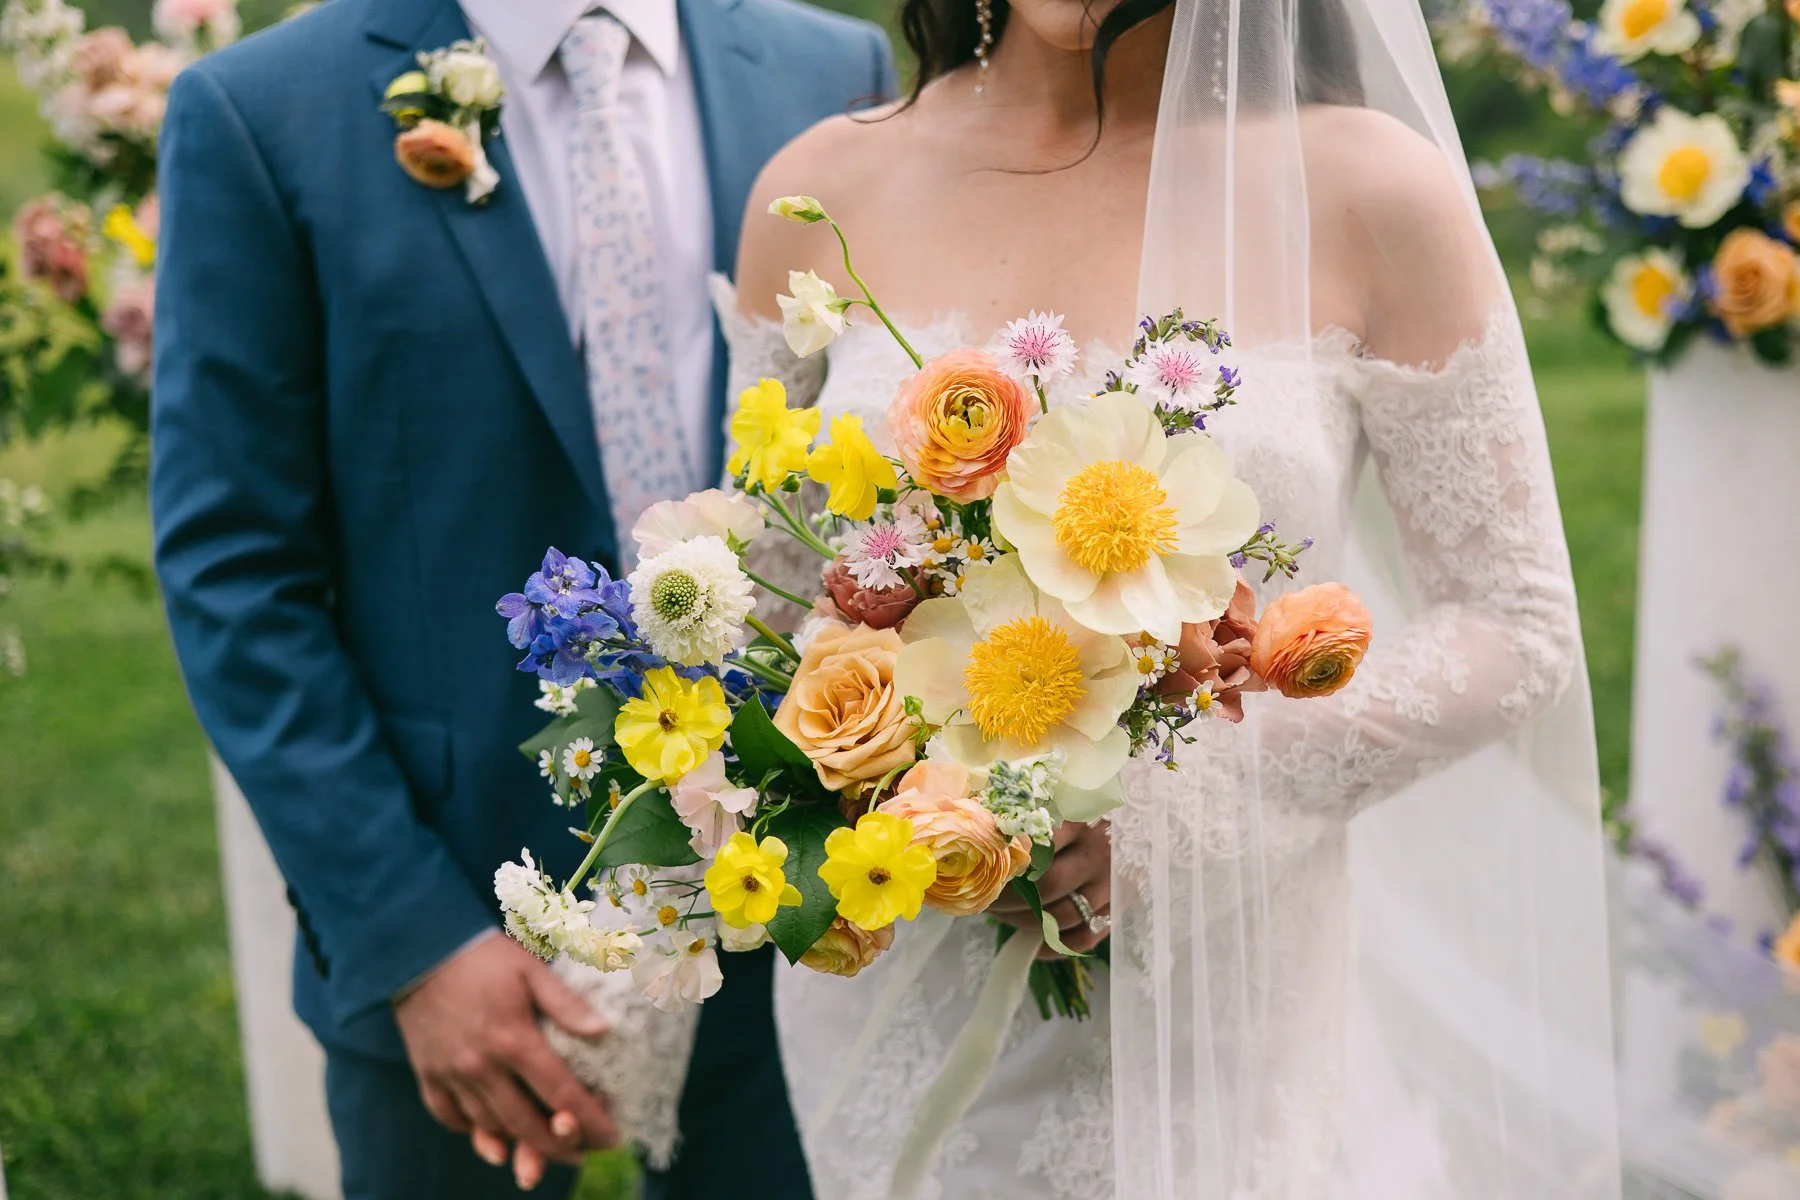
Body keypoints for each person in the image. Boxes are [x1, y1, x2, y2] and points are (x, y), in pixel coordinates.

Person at [704, 0, 1624, 1195]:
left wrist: (1177, 816)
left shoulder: (1370, 189)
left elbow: (1518, 624)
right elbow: (762, 608)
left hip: (1216, 992)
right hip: (898, 957)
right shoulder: (821, 190)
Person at [149, 0, 893, 1196]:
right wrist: (409, 938)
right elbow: (235, 568)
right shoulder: (261, 111)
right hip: (449, 902)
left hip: (801, 889)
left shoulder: (828, 68)